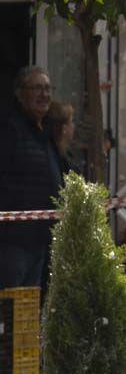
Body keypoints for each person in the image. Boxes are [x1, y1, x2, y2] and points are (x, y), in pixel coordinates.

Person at [0, 66, 62, 289]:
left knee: (24, 312)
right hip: (12, 242)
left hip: (38, 241)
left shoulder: (43, 132)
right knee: (9, 309)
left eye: (48, 88)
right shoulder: (9, 129)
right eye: (37, 88)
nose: (44, 94)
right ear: (20, 93)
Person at [45, 100, 81, 176]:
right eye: (71, 121)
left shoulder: (61, 153)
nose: (73, 125)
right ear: (64, 128)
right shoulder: (58, 158)